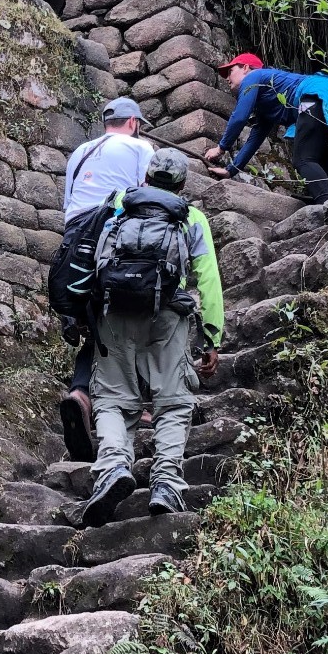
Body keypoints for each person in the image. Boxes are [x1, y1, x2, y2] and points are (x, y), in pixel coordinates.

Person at [83, 145, 223, 526]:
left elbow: (92, 257)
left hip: (115, 313)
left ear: (146, 176)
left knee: (112, 399)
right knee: (173, 401)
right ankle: (165, 483)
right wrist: (211, 335)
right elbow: (207, 278)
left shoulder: (119, 207)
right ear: (181, 183)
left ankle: (112, 467)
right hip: (167, 317)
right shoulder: (190, 217)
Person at [52, 96, 157, 462]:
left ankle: (80, 394)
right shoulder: (140, 147)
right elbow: (148, 194)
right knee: (137, 311)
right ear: (133, 123)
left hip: (74, 244)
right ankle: (133, 404)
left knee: (98, 321)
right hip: (113, 236)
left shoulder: (79, 152)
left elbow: (70, 207)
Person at [206, 51, 328, 203]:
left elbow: (239, 117)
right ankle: (325, 201)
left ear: (246, 68)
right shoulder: (266, 104)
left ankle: (326, 206)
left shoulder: (253, 77)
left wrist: (221, 148)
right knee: (321, 160)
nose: (227, 79)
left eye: (230, 72)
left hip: (315, 95)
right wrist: (230, 171)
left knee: (303, 160)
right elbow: (254, 140)